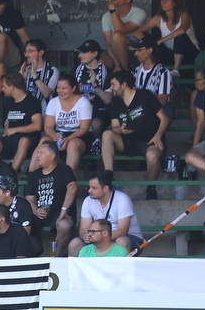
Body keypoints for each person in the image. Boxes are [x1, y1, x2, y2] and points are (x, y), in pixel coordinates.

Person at [102, 71, 168, 200]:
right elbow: (114, 127)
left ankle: (151, 188)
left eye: (113, 85)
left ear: (124, 85)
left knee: (152, 156)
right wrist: (121, 130)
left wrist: (158, 135)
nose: (111, 88)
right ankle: (108, 175)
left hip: (149, 141)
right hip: (128, 141)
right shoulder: (116, 102)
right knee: (107, 134)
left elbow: (165, 119)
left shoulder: (145, 95)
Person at [68, 169, 144, 256]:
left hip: (130, 237)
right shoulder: (88, 200)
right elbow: (83, 228)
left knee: (121, 242)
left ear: (105, 188)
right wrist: (87, 235)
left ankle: (123, 269)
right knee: (74, 245)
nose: (89, 191)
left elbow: (123, 231)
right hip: (98, 236)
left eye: (94, 188)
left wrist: (99, 237)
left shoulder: (122, 199)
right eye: (89, 187)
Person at [132, 0, 201, 76]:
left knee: (180, 36)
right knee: (149, 40)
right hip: (170, 54)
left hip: (190, 54)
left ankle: (176, 70)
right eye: (162, 0)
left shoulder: (184, 15)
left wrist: (160, 41)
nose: (163, 2)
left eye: (167, 0)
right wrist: (149, 44)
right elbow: (137, 32)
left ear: (175, 2)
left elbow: (182, 30)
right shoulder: (159, 18)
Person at [26, 141, 76, 256]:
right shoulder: (34, 175)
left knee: (64, 225)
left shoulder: (64, 170)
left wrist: (63, 211)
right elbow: (29, 199)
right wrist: (36, 211)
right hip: (40, 212)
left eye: (41, 153)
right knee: (22, 222)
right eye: (37, 153)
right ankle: (27, 257)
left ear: (52, 155)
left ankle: (54, 258)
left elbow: (72, 188)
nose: (37, 156)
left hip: (60, 212)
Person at [41, 74, 92, 174]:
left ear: (73, 88)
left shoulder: (84, 103)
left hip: (79, 136)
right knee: (44, 141)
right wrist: (53, 135)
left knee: (72, 144)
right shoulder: (53, 102)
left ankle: (67, 177)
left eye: (64, 88)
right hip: (59, 134)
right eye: (58, 88)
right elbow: (48, 126)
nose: (60, 91)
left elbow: (84, 128)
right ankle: (32, 173)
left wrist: (68, 139)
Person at [0, 72, 42, 172]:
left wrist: (15, 130)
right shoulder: (8, 103)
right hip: (11, 140)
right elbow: (6, 125)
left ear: (12, 86)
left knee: (23, 141)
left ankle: (10, 174)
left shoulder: (32, 101)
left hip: (30, 140)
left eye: (4, 86)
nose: (2, 89)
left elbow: (38, 125)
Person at [72, 39, 111, 148]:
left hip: (99, 110)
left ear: (94, 54)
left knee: (96, 124)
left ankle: (97, 143)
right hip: (78, 110)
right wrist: (75, 92)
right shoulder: (75, 71)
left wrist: (95, 85)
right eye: (80, 52)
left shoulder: (107, 72)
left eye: (84, 52)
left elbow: (108, 100)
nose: (80, 55)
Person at [101, 0, 147, 72]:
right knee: (101, 62)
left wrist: (112, 8)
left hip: (135, 51)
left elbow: (121, 30)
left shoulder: (139, 13)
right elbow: (108, 45)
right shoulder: (106, 16)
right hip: (114, 52)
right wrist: (117, 64)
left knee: (117, 35)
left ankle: (124, 73)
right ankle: (120, 74)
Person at [132, 36, 173, 107]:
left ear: (150, 50)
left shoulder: (163, 72)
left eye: (139, 50)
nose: (135, 54)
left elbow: (162, 100)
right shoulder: (135, 71)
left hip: (156, 113)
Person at [185, 67, 205, 176]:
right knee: (190, 157)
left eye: (198, 80)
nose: (195, 83)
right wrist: (194, 147)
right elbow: (201, 123)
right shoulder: (201, 94)